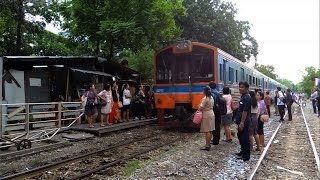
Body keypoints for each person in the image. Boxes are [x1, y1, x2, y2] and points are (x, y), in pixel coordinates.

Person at [235, 81, 251, 161]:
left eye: (242, 87)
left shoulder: (247, 98)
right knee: (240, 136)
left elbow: (245, 111)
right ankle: (242, 151)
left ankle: (246, 155)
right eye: (240, 87)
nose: (240, 89)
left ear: (247, 88)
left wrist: (242, 122)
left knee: (245, 137)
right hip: (241, 119)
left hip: (244, 120)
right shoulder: (243, 96)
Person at [199, 86, 215, 151]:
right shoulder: (211, 98)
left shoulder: (205, 99)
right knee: (210, 130)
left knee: (207, 130)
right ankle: (208, 144)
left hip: (206, 115)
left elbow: (201, 108)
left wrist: (199, 107)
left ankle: (207, 145)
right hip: (211, 113)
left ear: (204, 92)